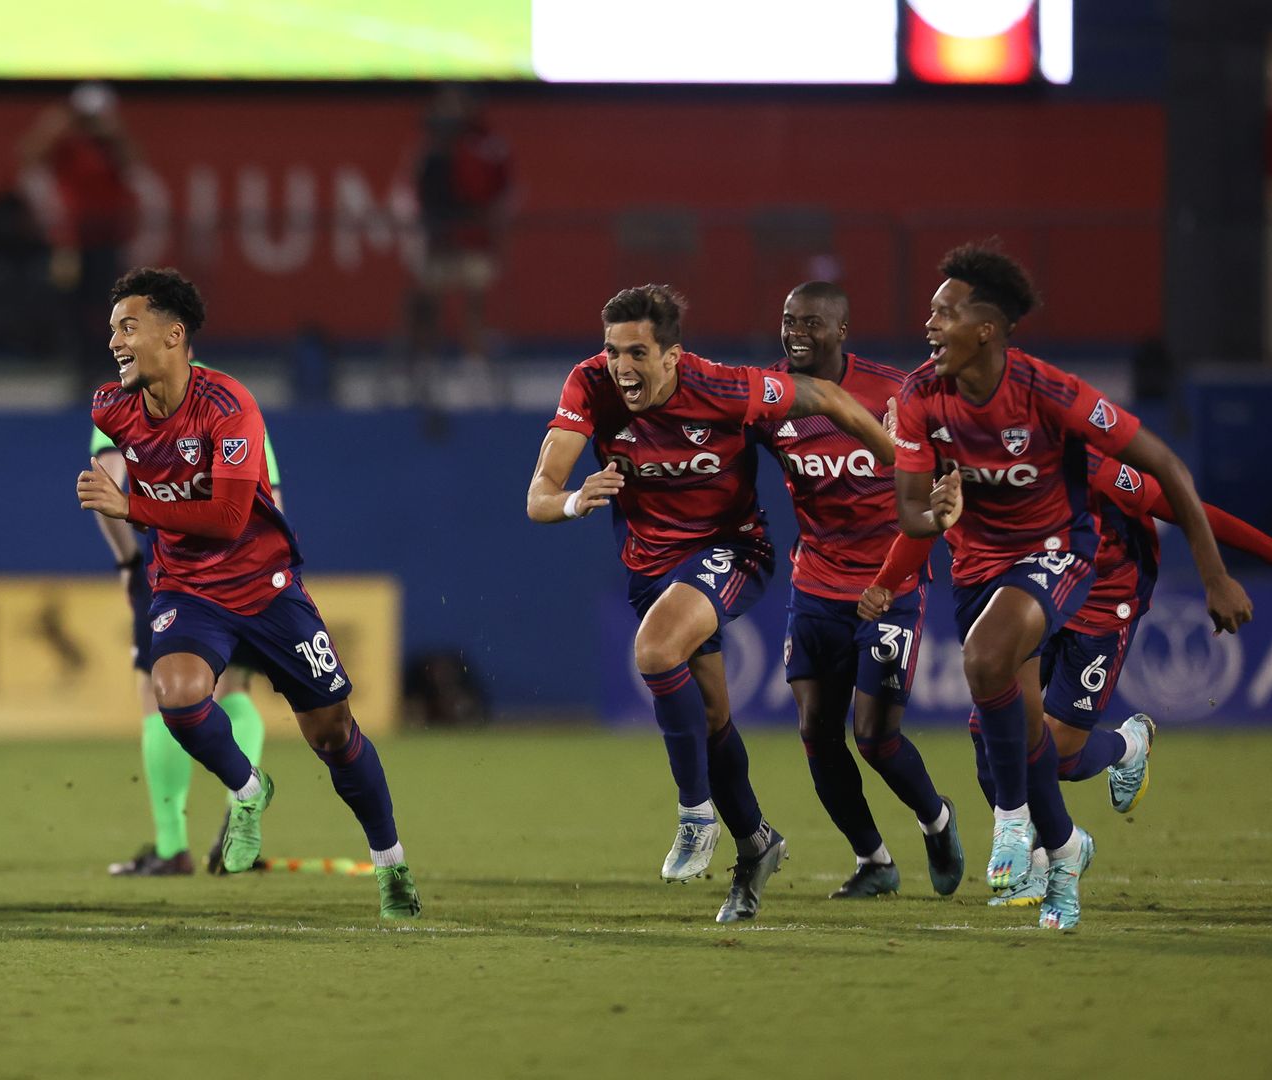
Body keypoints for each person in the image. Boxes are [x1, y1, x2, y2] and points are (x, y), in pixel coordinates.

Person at [889, 242, 1251, 930]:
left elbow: (1167, 470)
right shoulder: (919, 397)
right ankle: (1066, 850)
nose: (929, 324)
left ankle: (1011, 827)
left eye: (945, 311)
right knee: (1022, 736)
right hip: (981, 570)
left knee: (986, 667)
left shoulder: (1049, 393)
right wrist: (934, 511)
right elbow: (910, 511)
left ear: (987, 328)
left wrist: (1215, 575)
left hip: (1063, 556)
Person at [526, 284, 897, 924]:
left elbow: (831, 398)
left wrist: (909, 467)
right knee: (714, 718)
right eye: (613, 350)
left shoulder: (726, 388)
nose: (621, 366)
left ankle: (696, 813)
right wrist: (573, 500)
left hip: (733, 549)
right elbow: (538, 495)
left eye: (637, 352)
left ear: (673, 356)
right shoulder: (588, 385)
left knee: (654, 647)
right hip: (651, 569)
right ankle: (756, 842)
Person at [77, 268, 420, 918]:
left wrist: (133, 506)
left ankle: (391, 864)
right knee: (175, 695)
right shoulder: (111, 409)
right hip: (187, 589)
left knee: (334, 735)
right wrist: (124, 513)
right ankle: (248, 788)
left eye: (129, 326)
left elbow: (229, 519)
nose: (116, 341)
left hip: (266, 589)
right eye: (113, 329)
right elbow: (128, 482)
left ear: (173, 335)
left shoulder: (230, 407)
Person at [862, 444, 1272, 903]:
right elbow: (927, 526)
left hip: (1104, 598)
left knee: (1059, 754)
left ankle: (1128, 745)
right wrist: (886, 581)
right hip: (1033, 593)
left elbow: (1189, 510)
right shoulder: (964, 473)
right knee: (992, 730)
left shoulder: (1085, 466)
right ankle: (1037, 860)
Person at [745, 282, 964, 900]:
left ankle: (937, 819)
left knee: (874, 736)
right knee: (816, 729)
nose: (795, 333)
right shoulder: (772, 397)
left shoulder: (897, 393)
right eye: (788, 320)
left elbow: (944, 476)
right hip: (814, 584)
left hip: (887, 585)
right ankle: (874, 861)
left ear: (842, 331)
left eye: (811, 323)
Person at [92, 372, 280, 877]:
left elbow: (108, 484)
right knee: (235, 686)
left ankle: (173, 845)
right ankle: (238, 818)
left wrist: (130, 564)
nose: (121, 341)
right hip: (247, 572)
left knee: (158, 696)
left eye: (129, 327)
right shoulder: (234, 400)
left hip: (174, 575)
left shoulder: (128, 401)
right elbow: (271, 498)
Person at [22, 83, 141, 395]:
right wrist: (53, 126)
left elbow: (132, 163)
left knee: (112, 305)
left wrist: (114, 133)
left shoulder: (112, 148)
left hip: (108, 238)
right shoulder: (68, 145)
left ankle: (113, 366)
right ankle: (81, 369)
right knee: (74, 305)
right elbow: (29, 154)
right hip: (75, 241)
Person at [403, 85, 513, 403]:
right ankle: (425, 370)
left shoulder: (488, 147)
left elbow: (501, 193)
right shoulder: (429, 149)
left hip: (474, 242)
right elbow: (419, 192)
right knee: (427, 303)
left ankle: (474, 369)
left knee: (473, 303)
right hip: (438, 243)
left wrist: (485, 225)